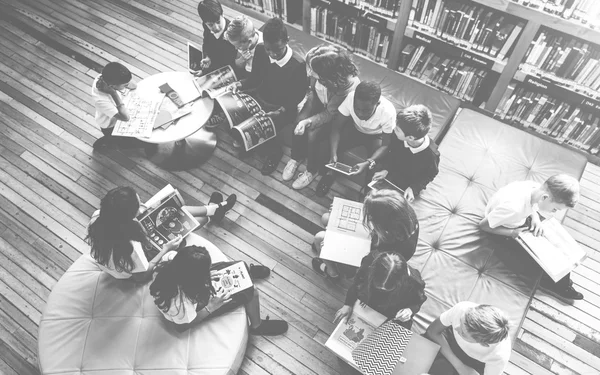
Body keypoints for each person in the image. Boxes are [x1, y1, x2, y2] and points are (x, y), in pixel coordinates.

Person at [87, 186, 236, 281]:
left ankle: (214, 209)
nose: (141, 207)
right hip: (132, 270)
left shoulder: (97, 217)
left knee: (174, 212)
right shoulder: (131, 246)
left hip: (124, 253)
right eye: (138, 206)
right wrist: (167, 249)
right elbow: (141, 276)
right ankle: (213, 211)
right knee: (195, 219)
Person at [479, 174, 583, 301]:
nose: (554, 212)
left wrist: (535, 217)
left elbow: (530, 203)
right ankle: (555, 285)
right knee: (534, 261)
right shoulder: (514, 209)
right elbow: (483, 226)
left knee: (550, 237)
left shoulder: (534, 188)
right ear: (545, 197)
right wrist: (512, 233)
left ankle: (562, 280)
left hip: (516, 219)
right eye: (555, 209)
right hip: (501, 230)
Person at [229, 17, 308, 175]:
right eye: (268, 49)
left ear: (287, 41)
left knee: (265, 125)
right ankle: (252, 144)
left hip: (282, 107)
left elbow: (298, 95)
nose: (272, 54)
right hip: (261, 97)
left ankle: (274, 152)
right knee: (234, 112)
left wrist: (282, 110)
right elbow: (256, 78)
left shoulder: (298, 64)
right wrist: (241, 84)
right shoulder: (259, 50)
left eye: (276, 50)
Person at [150, 245, 288, 335]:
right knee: (252, 292)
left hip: (190, 284)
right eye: (205, 271)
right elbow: (181, 327)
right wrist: (211, 306)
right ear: (195, 278)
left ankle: (247, 272)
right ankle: (257, 326)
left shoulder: (169, 260)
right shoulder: (180, 305)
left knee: (237, 267)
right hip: (198, 307)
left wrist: (206, 274)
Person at [282, 44, 361, 190]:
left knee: (313, 134)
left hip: (335, 114)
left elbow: (330, 113)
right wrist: (304, 118)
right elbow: (312, 90)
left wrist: (309, 121)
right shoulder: (318, 67)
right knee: (298, 120)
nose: (311, 73)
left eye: (314, 72)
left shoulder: (348, 86)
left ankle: (312, 170)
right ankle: (296, 157)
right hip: (317, 98)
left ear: (329, 76)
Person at [312, 189, 419, 279]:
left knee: (319, 238)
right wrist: (336, 212)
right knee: (326, 218)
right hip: (371, 244)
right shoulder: (406, 215)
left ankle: (332, 273)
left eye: (371, 216)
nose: (368, 218)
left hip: (366, 263)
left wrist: (335, 247)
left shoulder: (393, 250)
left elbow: (367, 263)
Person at [315, 81, 396, 197]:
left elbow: (385, 145)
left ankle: (367, 195)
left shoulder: (388, 112)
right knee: (327, 146)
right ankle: (329, 175)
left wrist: (368, 162)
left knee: (376, 165)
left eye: (366, 111)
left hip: (376, 135)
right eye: (357, 108)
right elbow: (336, 128)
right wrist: (333, 154)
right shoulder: (350, 97)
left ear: (377, 104)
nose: (360, 114)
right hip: (355, 128)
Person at [334, 252, 426, 330]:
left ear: (401, 280)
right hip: (367, 305)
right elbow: (357, 282)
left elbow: (417, 302)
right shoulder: (369, 262)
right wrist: (348, 304)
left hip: (393, 314)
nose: (383, 289)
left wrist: (409, 310)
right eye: (379, 286)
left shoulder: (414, 283)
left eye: (388, 287)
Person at [370, 105, 440, 203]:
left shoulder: (431, 155)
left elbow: (430, 175)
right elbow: (391, 153)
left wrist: (413, 188)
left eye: (398, 129)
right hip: (391, 172)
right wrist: (386, 169)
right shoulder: (397, 137)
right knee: (372, 191)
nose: (394, 129)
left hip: (408, 183)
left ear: (410, 138)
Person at [426, 302, 511, 375]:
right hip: (448, 340)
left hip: (475, 362)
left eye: (463, 333)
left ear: (483, 344)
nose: (456, 327)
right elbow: (432, 331)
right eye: (460, 321)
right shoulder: (462, 309)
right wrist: (460, 366)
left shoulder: (498, 356)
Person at [91, 61, 138, 150]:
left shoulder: (104, 77)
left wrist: (126, 83)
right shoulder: (101, 100)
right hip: (110, 126)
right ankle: (107, 141)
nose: (127, 86)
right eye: (125, 85)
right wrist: (113, 93)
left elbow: (134, 85)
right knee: (127, 145)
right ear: (112, 86)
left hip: (118, 115)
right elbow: (125, 117)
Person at [194, 0, 237, 74]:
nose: (216, 28)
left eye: (218, 22)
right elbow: (207, 42)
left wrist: (207, 69)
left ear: (222, 15)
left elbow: (229, 60)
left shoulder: (232, 32)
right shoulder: (205, 26)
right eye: (210, 25)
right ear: (205, 23)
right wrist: (207, 56)